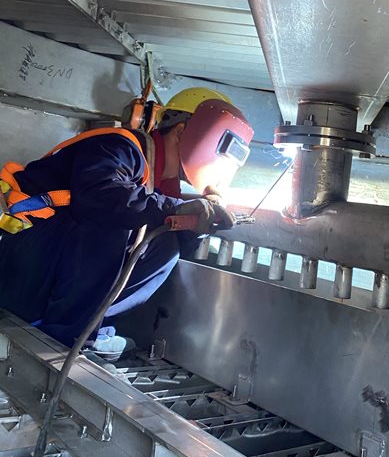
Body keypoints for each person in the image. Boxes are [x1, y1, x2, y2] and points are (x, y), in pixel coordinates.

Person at [0, 87, 253, 359]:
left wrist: (201, 222)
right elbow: (98, 196)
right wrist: (175, 207)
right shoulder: (118, 146)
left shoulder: (159, 181)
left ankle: (88, 329)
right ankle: (64, 334)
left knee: (166, 243)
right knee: (115, 219)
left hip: (44, 272)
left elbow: (166, 230)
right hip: (22, 271)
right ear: (181, 131)